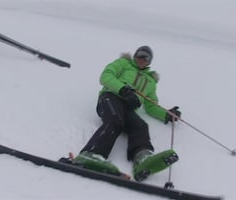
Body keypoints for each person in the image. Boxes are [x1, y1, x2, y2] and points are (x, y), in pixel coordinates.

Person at [73, 46, 182, 181]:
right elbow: (105, 76)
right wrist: (123, 89)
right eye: (140, 55)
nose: (143, 59)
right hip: (110, 97)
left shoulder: (151, 81)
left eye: (147, 58)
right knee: (115, 120)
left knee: (140, 126)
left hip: (128, 108)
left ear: (150, 62)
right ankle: (91, 154)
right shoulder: (124, 63)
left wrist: (166, 114)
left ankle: (142, 159)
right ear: (135, 55)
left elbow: (151, 105)